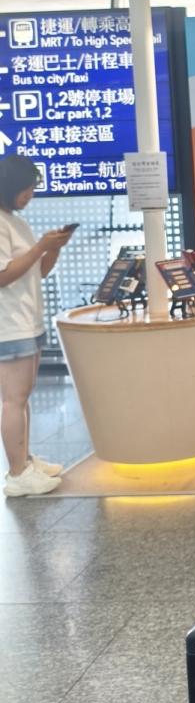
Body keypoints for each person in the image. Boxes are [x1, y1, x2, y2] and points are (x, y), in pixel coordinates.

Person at [0, 156, 73, 497]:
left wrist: (51, 250)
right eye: (26, 189)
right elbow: (3, 275)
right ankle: (17, 474)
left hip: (27, 321)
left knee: (22, 397)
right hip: (9, 324)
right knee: (13, 399)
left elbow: (36, 272)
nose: (30, 195)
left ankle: (25, 461)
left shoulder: (16, 222)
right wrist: (40, 247)